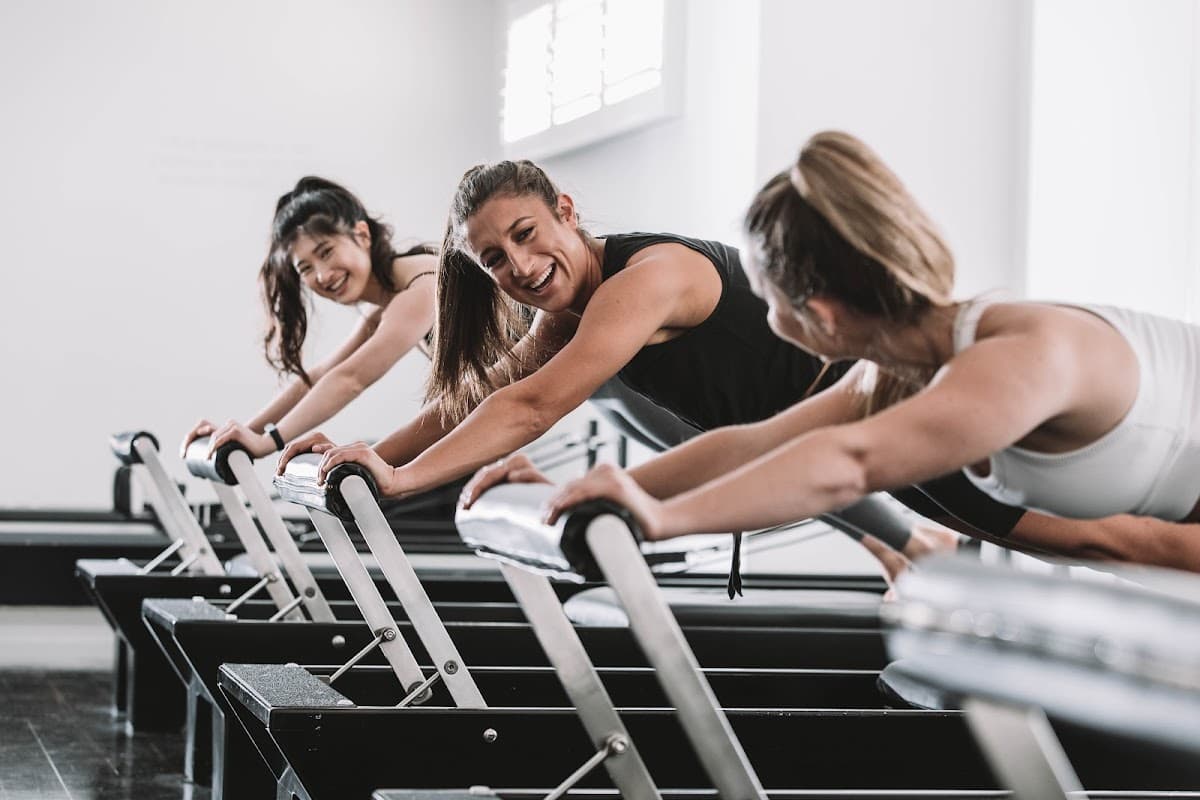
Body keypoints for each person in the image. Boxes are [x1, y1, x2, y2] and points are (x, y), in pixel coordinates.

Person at [280, 160, 1036, 579]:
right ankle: (914, 551)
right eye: (495, 260)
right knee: (1077, 538)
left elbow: (534, 407)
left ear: (566, 211)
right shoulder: (564, 310)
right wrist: (380, 457)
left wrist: (403, 479)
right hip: (829, 441)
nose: (521, 266)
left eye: (527, 234)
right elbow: (489, 395)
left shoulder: (645, 278)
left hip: (892, 412)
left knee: (1094, 537)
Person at [495, 131, 1200, 574]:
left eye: (768, 298)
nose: (762, 315)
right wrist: (594, 495)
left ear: (821, 315)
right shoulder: (893, 375)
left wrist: (663, 519)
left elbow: (845, 464)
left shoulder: (1016, 359)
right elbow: (757, 444)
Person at [179, 177, 437, 461]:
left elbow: (351, 379)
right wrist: (242, 433)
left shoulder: (420, 287)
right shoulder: (388, 300)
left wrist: (267, 442)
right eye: (306, 268)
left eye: (326, 252)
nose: (323, 275)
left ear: (362, 235)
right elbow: (322, 375)